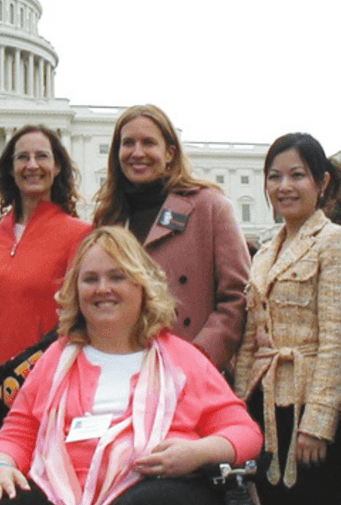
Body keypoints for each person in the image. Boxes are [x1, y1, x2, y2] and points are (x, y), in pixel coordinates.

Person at [0, 226, 263, 505]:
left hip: (155, 489)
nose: (102, 289)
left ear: (142, 286)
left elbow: (245, 433)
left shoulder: (181, 358)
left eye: (117, 277)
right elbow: (17, 432)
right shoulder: (55, 359)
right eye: (90, 279)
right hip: (62, 492)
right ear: (76, 290)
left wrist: (197, 453)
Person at [234, 133, 341, 505]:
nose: (284, 186)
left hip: (307, 409)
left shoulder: (336, 240)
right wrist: (238, 408)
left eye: (297, 175)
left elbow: (338, 339)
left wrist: (318, 424)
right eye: (274, 177)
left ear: (321, 182)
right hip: (265, 406)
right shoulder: (264, 253)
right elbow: (251, 340)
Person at [91, 104, 250, 371]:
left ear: (169, 153)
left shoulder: (208, 206)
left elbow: (238, 296)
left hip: (190, 370)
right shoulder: (109, 218)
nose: (137, 152)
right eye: (128, 143)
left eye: (148, 142)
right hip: (122, 369)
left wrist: (196, 360)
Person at [0, 125, 91, 388]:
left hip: (35, 385)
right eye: (23, 157)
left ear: (57, 167)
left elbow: (82, 318)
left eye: (42, 156)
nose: (32, 165)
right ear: (10, 168)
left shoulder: (80, 235)